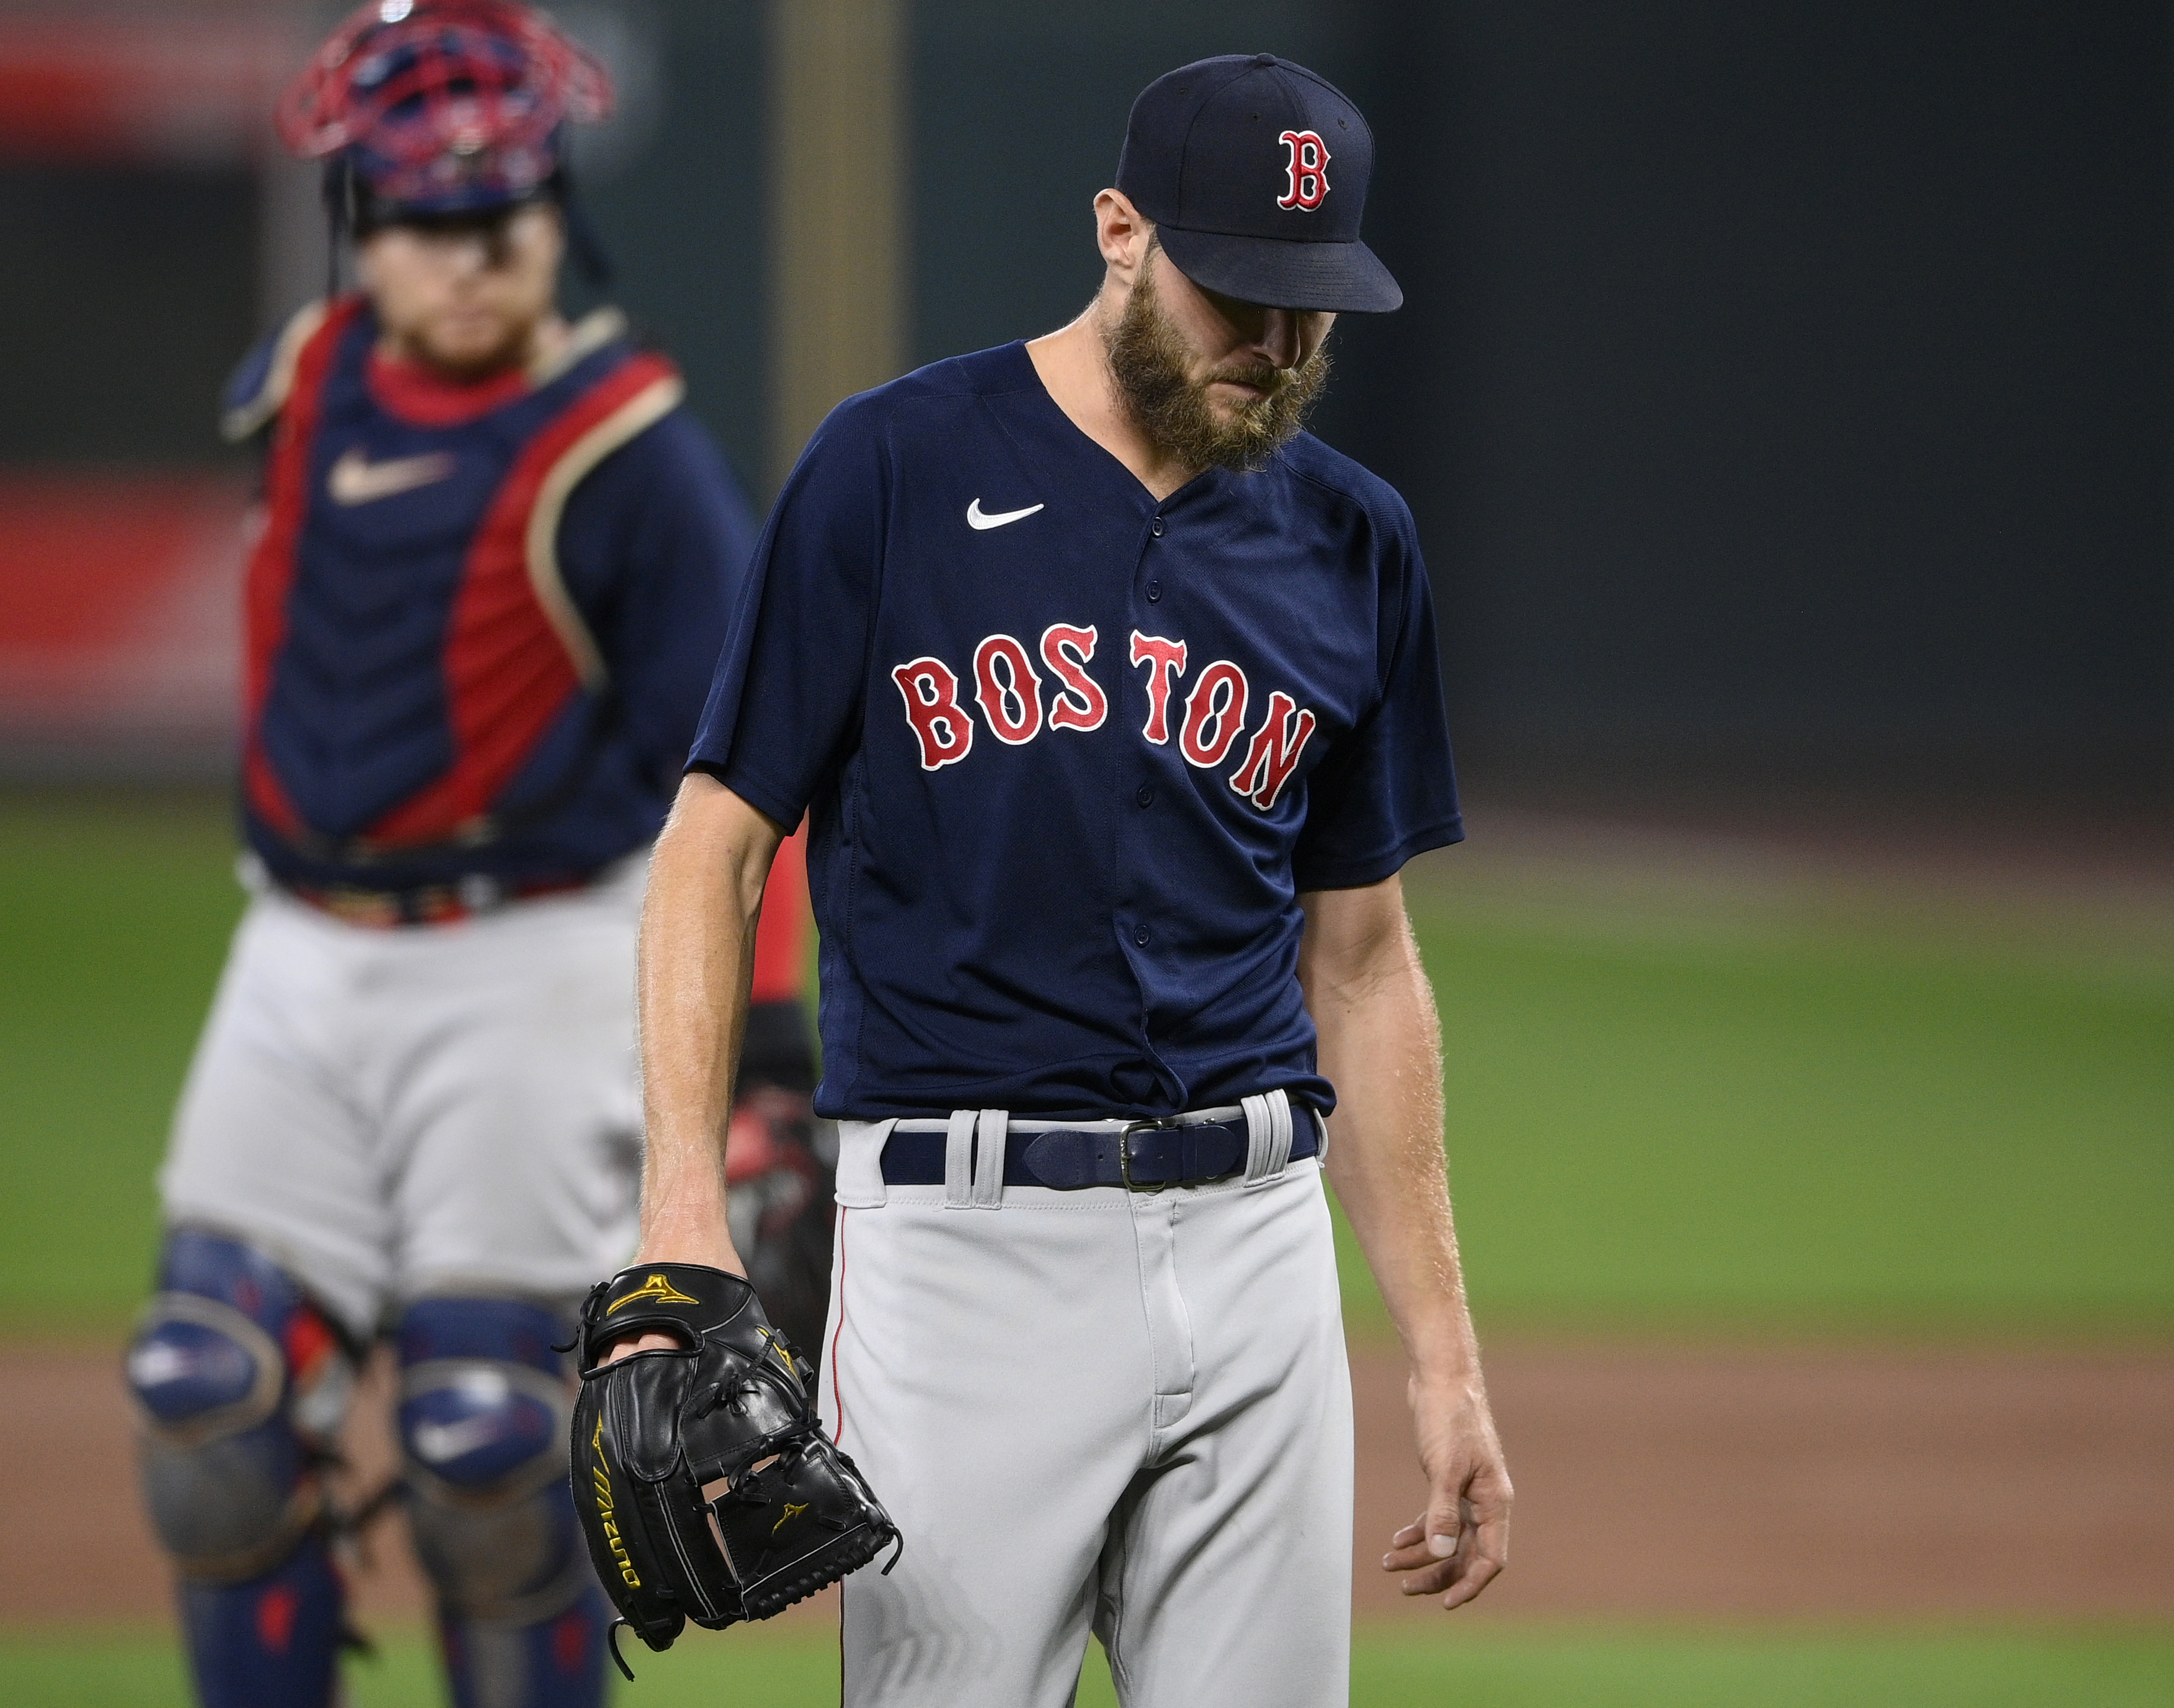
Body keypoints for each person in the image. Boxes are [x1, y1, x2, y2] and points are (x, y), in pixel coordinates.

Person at [610, 53, 1512, 1707]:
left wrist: (1443, 1359)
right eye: (1238, 293)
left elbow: (1366, 963)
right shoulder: (889, 468)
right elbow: (711, 851)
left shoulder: (1351, 538)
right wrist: (686, 1222)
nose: (1280, 344)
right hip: (963, 1252)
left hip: (1254, 1245)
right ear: (1117, 229)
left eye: (1315, 307)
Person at [122, 5, 776, 1704]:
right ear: (364, 226)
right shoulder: (304, 378)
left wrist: (759, 1061)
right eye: (427, 215)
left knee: (489, 1450)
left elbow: (751, 784)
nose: (474, 252)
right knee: (206, 1392)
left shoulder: (634, 454)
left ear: (557, 215)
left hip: (539, 954)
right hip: (299, 949)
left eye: (507, 212)